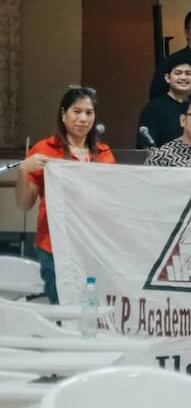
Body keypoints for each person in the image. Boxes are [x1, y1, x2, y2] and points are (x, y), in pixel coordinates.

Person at [15, 87, 116, 304]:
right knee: (61, 309)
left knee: (91, 309)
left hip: (92, 244)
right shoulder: (44, 149)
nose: (83, 118)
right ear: (63, 114)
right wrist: (24, 171)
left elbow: (112, 200)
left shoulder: (103, 153)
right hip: (53, 244)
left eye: (89, 113)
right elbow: (24, 204)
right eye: (76, 111)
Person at [137, 52, 191, 148]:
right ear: (167, 78)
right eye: (178, 73)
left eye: (188, 73)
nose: (183, 77)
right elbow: (145, 147)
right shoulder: (154, 108)